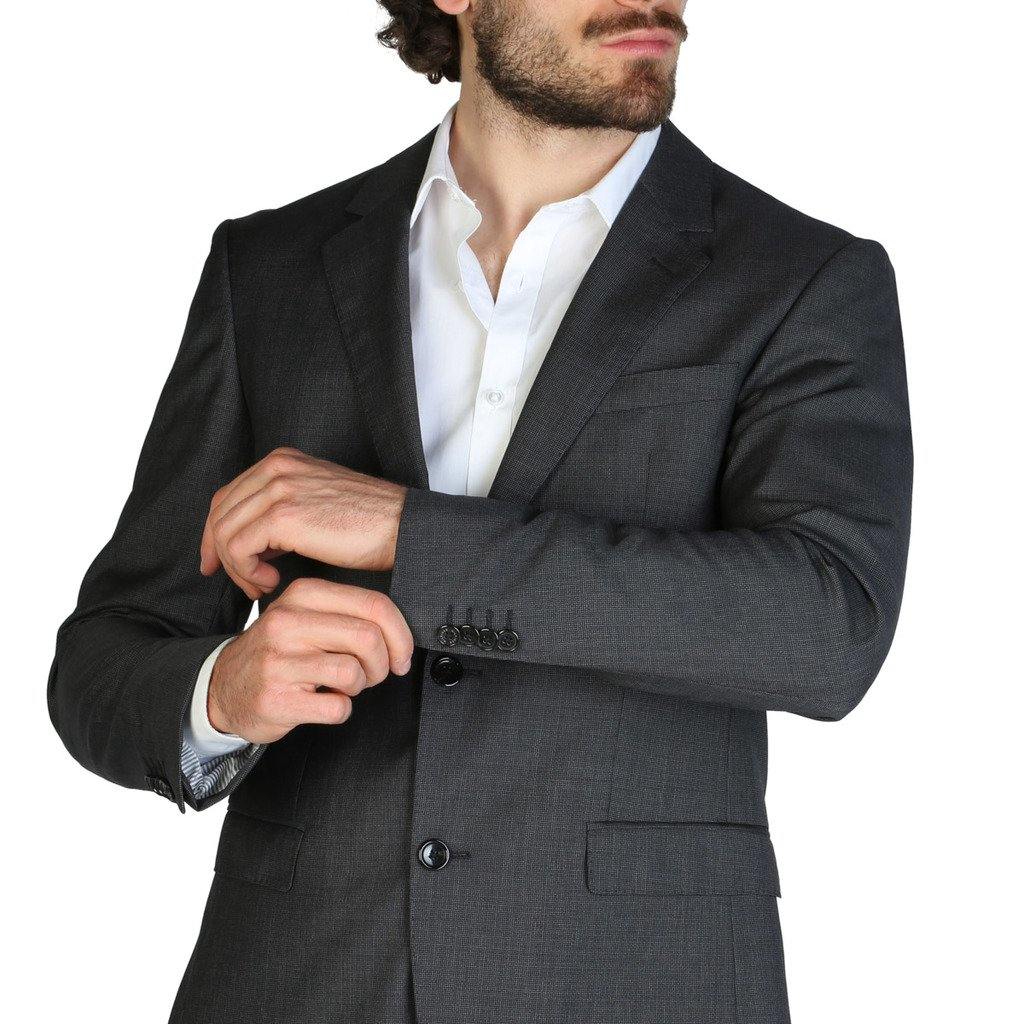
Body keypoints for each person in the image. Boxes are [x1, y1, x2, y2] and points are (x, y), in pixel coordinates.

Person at [47, 1, 913, 1021]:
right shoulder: (271, 268)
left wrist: (411, 538)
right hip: (304, 980)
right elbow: (106, 654)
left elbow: (826, 626)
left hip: (631, 986)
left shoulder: (801, 279)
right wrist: (218, 694)